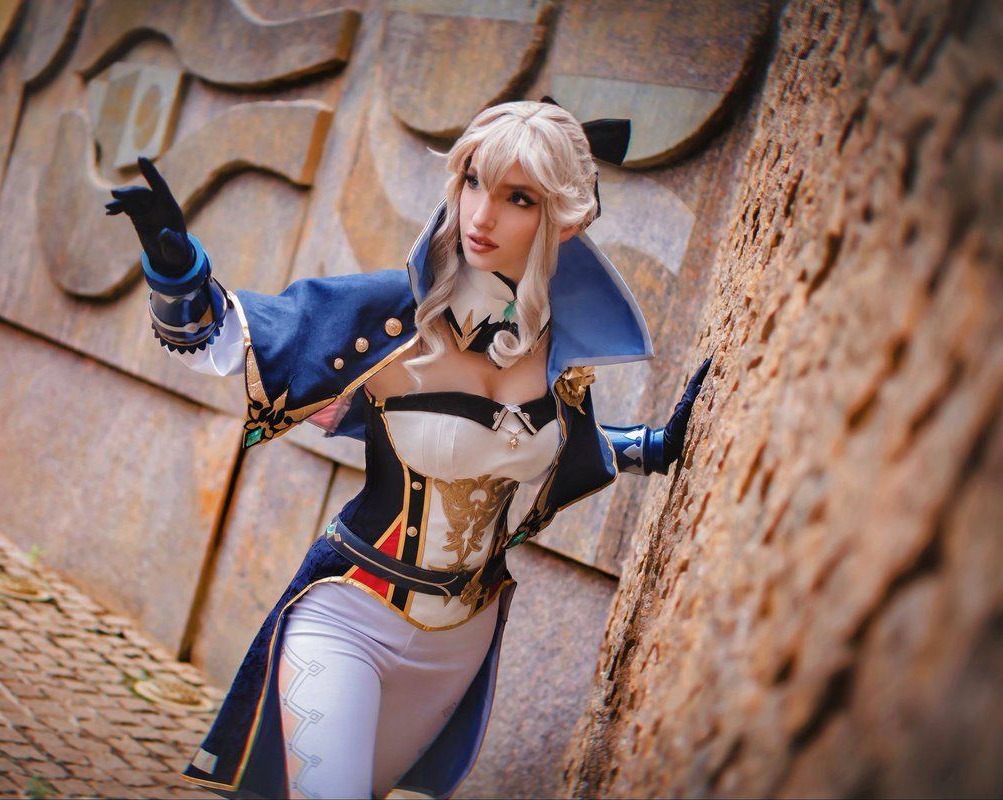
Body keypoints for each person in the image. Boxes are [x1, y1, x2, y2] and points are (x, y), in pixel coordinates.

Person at [106, 99, 710, 800]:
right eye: (472, 182)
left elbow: (547, 446)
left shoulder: (557, 353)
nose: (480, 215)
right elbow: (225, 342)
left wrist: (654, 448)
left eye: (518, 198)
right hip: (349, 611)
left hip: (458, 640)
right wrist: (177, 274)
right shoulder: (397, 316)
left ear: (565, 220)